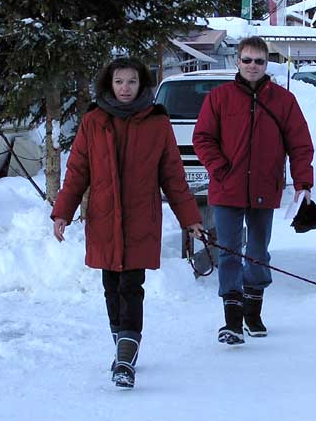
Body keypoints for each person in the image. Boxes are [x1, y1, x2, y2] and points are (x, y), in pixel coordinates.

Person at [51, 57, 203, 388]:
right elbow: (78, 170)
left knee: (131, 287)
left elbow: (173, 176)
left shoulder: (157, 123)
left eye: (131, 82)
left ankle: (125, 362)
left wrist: (190, 218)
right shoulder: (93, 120)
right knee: (111, 287)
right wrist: (63, 211)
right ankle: (124, 349)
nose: (125, 88)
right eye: (119, 82)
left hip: (140, 219)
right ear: (109, 84)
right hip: (104, 219)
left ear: (141, 85)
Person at [193, 37, 314, 345]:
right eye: (247, 60)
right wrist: (220, 168)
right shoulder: (219, 98)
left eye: (258, 61)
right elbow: (203, 137)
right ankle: (232, 321)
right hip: (227, 188)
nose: (252, 66)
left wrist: (303, 184)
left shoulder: (283, 101)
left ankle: (253, 312)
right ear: (237, 61)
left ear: (266, 64)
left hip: (264, 188)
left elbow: (300, 146)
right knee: (229, 251)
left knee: (257, 252)